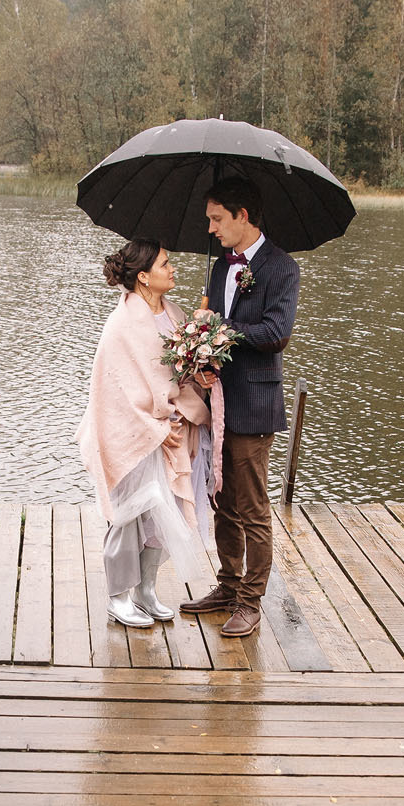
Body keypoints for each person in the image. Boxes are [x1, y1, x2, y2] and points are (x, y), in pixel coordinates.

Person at [180, 175, 300, 638]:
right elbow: (213, 333)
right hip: (216, 403)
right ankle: (228, 585)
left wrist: (220, 327)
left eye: (217, 219)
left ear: (242, 215)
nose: (210, 228)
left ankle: (250, 601)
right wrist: (199, 350)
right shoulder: (219, 268)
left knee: (252, 507)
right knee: (222, 500)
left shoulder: (281, 267)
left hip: (254, 404)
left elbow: (275, 334)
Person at [79, 239, 218, 628]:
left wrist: (200, 366)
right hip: (135, 432)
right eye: (165, 264)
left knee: (163, 511)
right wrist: (157, 425)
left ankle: (146, 591)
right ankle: (118, 597)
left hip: (172, 425)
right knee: (130, 511)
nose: (172, 269)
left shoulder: (173, 314)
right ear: (143, 276)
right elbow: (115, 390)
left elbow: (173, 375)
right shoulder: (121, 325)